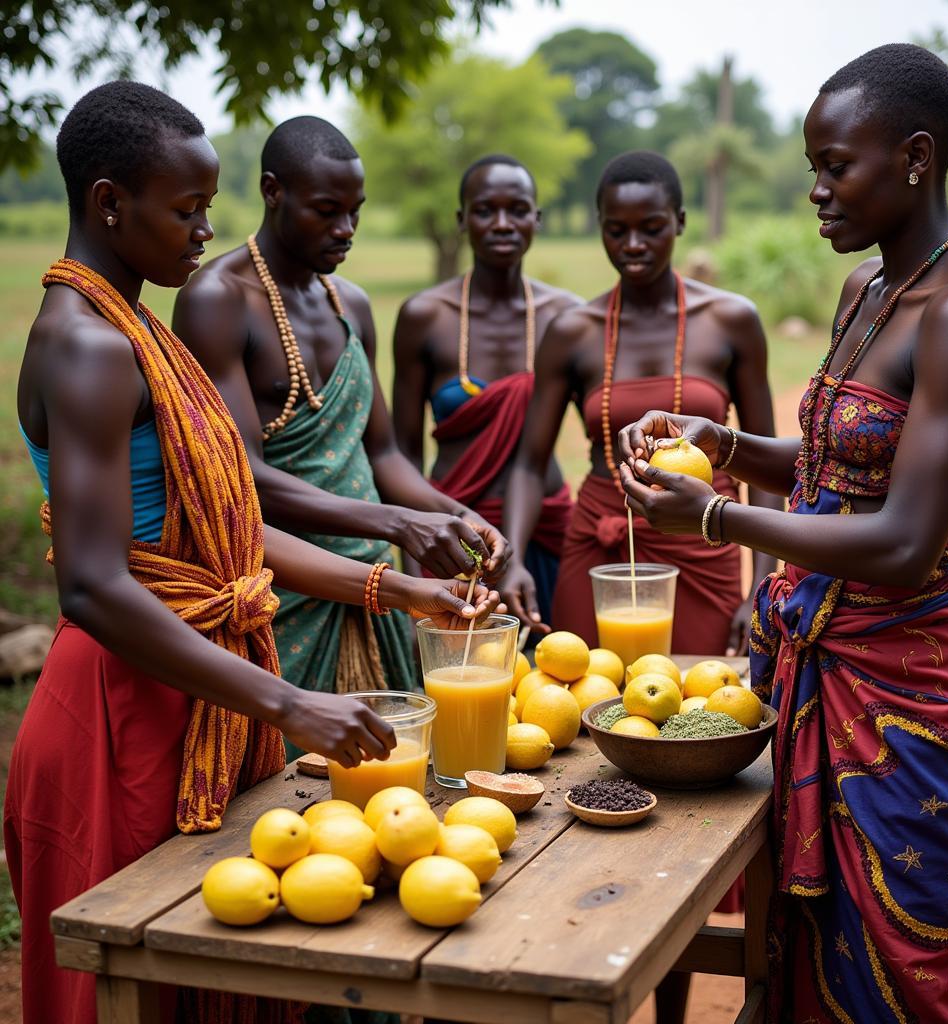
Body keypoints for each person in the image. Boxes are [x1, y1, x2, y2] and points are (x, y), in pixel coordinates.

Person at [4, 82, 500, 1024]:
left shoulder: (135, 326)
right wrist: (289, 702)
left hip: (194, 689)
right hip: (119, 709)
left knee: (223, 969)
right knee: (133, 984)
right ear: (111, 204)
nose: (203, 234)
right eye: (187, 210)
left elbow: (225, 542)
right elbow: (95, 586)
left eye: (207, 209)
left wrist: (395, 590)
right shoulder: (89, 346)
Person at [619, 45, 948, 1024]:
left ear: (916, 157)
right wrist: (725, 443)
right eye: (815, 166)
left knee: (902, 964)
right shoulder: (865, 293)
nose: (816, 191)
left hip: (905, 687)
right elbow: (835, 464)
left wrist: (708, 513)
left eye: (837, 165)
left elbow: (902, 542)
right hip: (812, 654)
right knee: (794, 941)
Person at [173, 119, 509, 756]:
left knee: (397, 780)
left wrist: (456, 516)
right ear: (274, 192)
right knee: (292, 791)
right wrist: (399, 525)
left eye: (355, 213)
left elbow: (380, 453)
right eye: (327, 212)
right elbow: (240, 478)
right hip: (284, 587)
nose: (346, 231)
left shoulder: (348, 302)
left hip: (375, 588)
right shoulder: (219, 299)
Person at [503, 150, 781, 656]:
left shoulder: (731, 320)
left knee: (699, 708)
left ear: (679, 221)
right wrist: (514, 558)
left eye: (651, 227)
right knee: (587, 702)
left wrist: (761, 589)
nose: (633, 245)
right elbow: (529, 463)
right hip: (599, 545)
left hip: (703, 539)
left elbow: (763, 465)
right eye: (616, 230)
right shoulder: (572, 332)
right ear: (600, 228)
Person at [391, 155, 580, 631]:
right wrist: (413, 559)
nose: (502, 224)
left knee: (552, 679)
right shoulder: (425, 317)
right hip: (451, 532)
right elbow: (403, 452)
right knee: (457, 681)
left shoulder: (567, 317)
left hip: (546, 529)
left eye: (517, 209)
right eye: (484, 211)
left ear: (537, 217)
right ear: (461, 220)